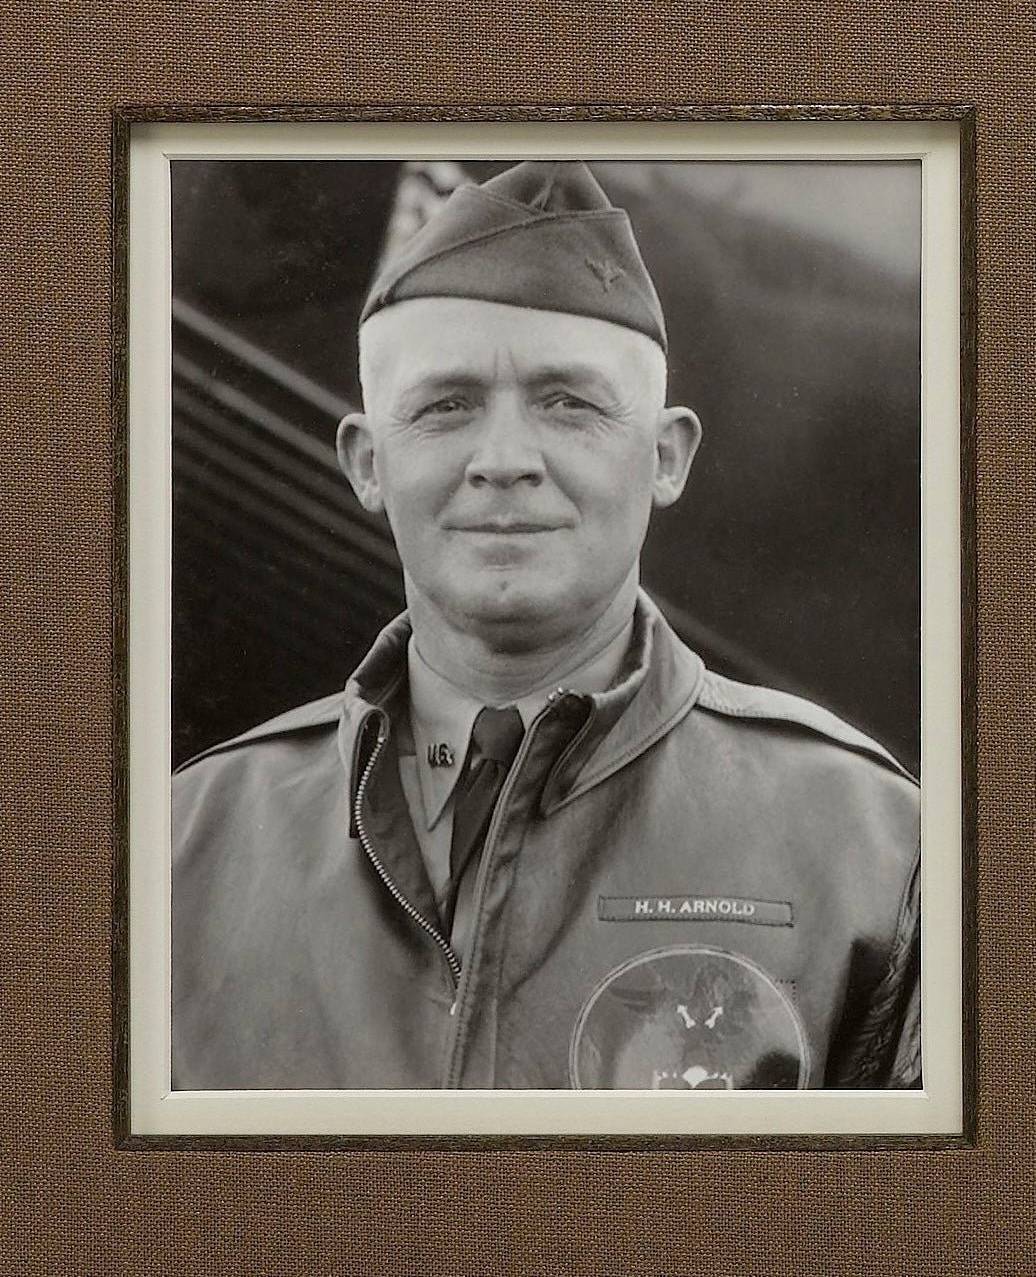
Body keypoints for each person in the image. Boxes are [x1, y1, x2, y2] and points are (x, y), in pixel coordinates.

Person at [172, 161, 920, 1092]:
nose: (505, 460)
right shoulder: (182, 845)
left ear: (665, 456)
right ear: (367, 462)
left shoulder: (878, 854)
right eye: (446, 405)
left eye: (569, 403)